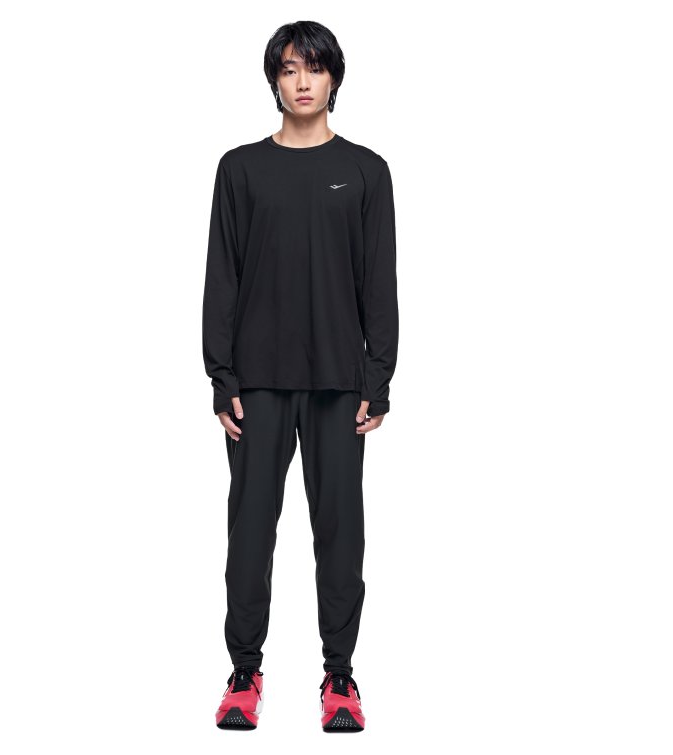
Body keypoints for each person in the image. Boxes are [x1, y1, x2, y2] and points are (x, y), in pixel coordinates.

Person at [203, 20, 398, 733]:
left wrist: (378, 376)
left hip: (339, 383)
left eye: (314, 68)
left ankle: (339, 677)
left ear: (334, 78)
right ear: (274, 81)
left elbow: (379, 281)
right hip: (255, 382)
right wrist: (220, 376)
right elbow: (222, 276)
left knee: (340, 535)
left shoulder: (367, 170)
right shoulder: (240, 169)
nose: (303, 81)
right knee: (250, 533)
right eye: (289, 69)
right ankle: (244, 673)